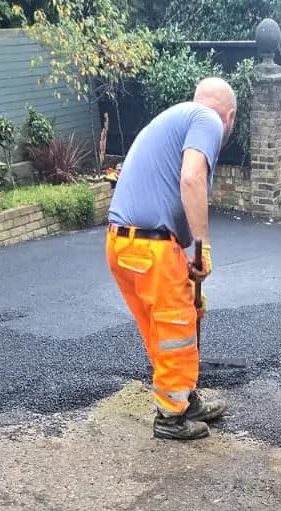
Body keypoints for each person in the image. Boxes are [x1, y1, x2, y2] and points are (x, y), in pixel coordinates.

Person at [106, 78, 237, 441]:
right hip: (152, 248)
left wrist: (186, 264)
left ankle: (183, 400)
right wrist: (201, 247)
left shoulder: (173, 119)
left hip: (123, 245)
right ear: (230, 116)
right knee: (177, 330)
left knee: (163, 333)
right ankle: (170, 419)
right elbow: (191, 180)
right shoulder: (209, 120)